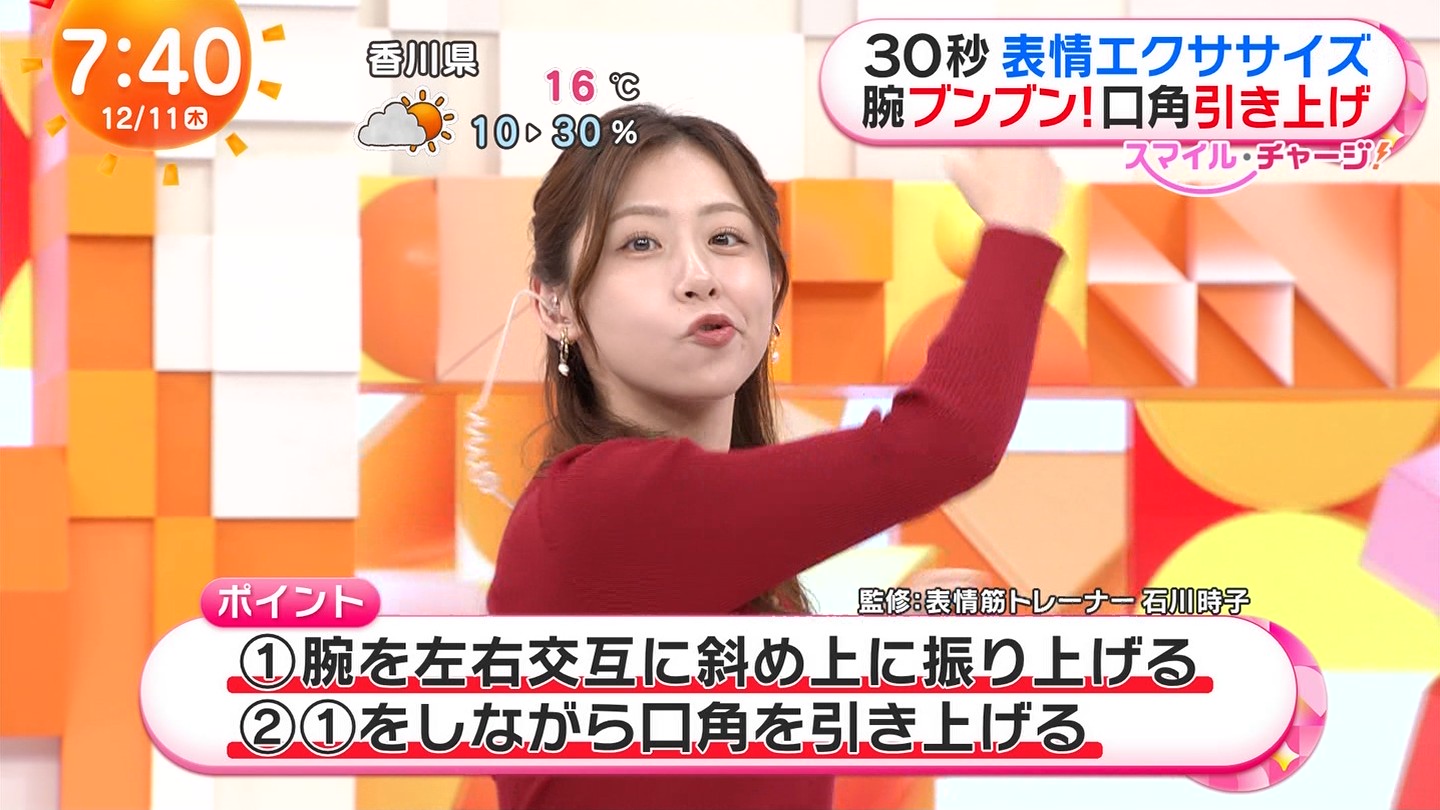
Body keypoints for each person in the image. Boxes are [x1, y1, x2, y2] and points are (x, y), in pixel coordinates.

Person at [484, 103, 1065, 810]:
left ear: (773, 285)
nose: (699, 275)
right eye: (640, 243)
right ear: (555, 307)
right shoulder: (597, 506)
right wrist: (1018, 228)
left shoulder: (726, 577)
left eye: (726, 238)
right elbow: (947, 440)